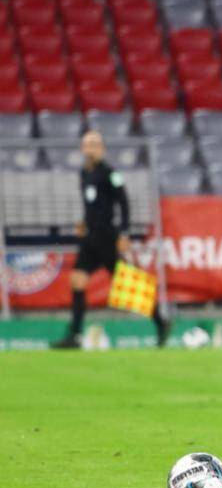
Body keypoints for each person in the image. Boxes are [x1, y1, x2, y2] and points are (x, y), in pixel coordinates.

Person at [52, 131, 169, 349]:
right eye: (88, 144)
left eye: (95, 144)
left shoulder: (110, 173)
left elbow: (123, 202)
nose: (91, 148)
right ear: (82, 149)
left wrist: (124, 233)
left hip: (107, 237)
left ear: (102, 149)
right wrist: (84, 221)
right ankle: (75, 336)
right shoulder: (84, 173)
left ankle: (160, 321)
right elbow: (93, 204)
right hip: (90, 237)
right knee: (77, 279)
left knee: (127, 282)